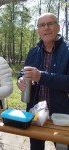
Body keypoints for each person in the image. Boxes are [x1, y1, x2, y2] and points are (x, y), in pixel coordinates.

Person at [17, 13, 69, 150]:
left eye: (50, 23)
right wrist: (20, 80)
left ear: (58, 26)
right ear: (38, 30)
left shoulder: (67, 50)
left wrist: (41, 76)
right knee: (36, 147)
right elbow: (23, 73)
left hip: (61, 114)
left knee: (63, 148)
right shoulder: (33, 51)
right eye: (41, 25)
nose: (46, 28)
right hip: (35, 112)